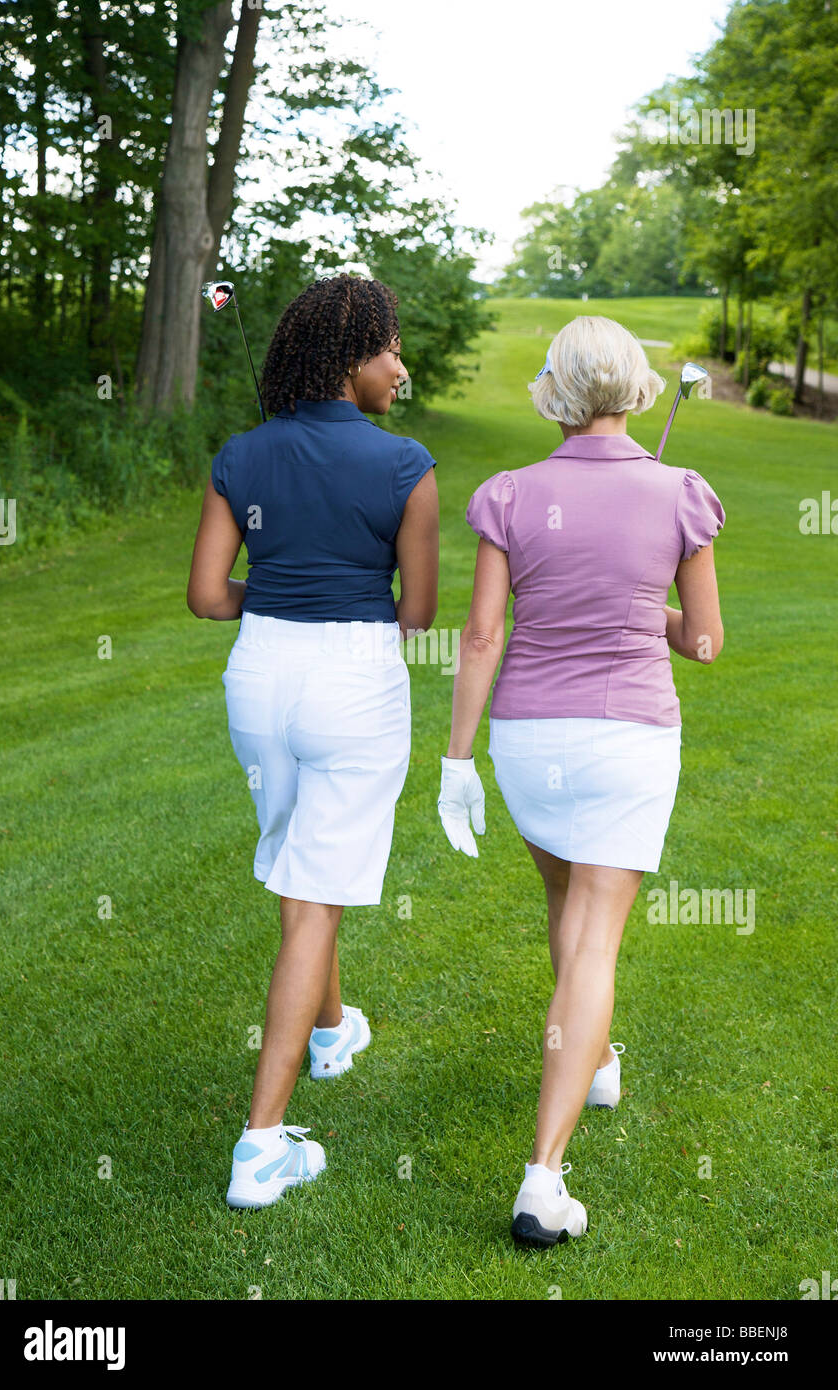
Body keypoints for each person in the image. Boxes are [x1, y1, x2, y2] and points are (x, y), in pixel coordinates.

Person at [437, 315, 725, 1247]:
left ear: (557, 390)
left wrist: (454, 760)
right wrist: (662, 608)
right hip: (629, 737)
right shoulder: (679, 491)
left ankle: (594, 1054)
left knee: (565, 905)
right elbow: (706, 644)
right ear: (636, 386)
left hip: (529, 739)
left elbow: (481, 636)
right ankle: (543, 1180)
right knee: (595, 936)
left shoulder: (511, 492)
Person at [187, 274, 439, 1209]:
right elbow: (416, 613)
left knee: (302, 870)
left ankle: (333, 1033)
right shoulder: (405, 464)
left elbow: (210, 596)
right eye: (390, 350)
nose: (400, 368)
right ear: (348, 360)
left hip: (259, 679)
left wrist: (283, 598)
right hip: (352, 684)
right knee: (313, 899)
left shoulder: (240, 455)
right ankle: (261, 1147)